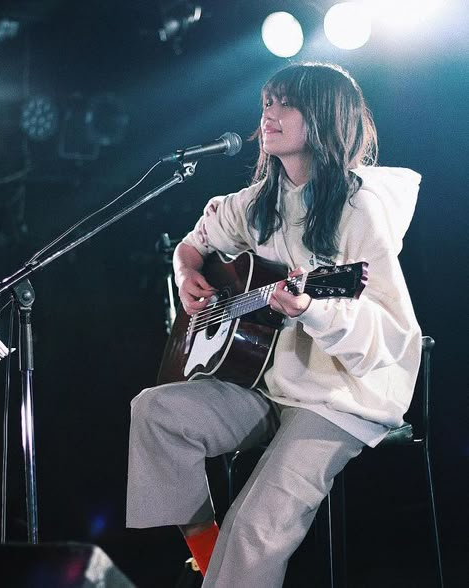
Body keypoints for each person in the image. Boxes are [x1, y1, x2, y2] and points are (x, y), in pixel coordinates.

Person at [126, 62, 422, 587]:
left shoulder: (360, 210)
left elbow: (394, 332)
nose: (268, 113)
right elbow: (196, 240)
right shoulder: (262, 199)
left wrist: (314, 309)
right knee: (156, 411)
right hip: (271, 383)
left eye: (285, 103)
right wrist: (185, 267)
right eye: (266, 101)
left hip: (342, 398)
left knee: (256, 527)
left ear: (325, 118)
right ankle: (210, 561)